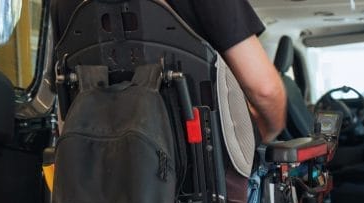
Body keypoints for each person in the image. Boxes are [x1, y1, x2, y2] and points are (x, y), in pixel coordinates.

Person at [51, 0, 286, 142]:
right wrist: (262, 136)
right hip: (203, 198)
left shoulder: (61, 4)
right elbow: (265, 90)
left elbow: (64, 103)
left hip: (100, 195)